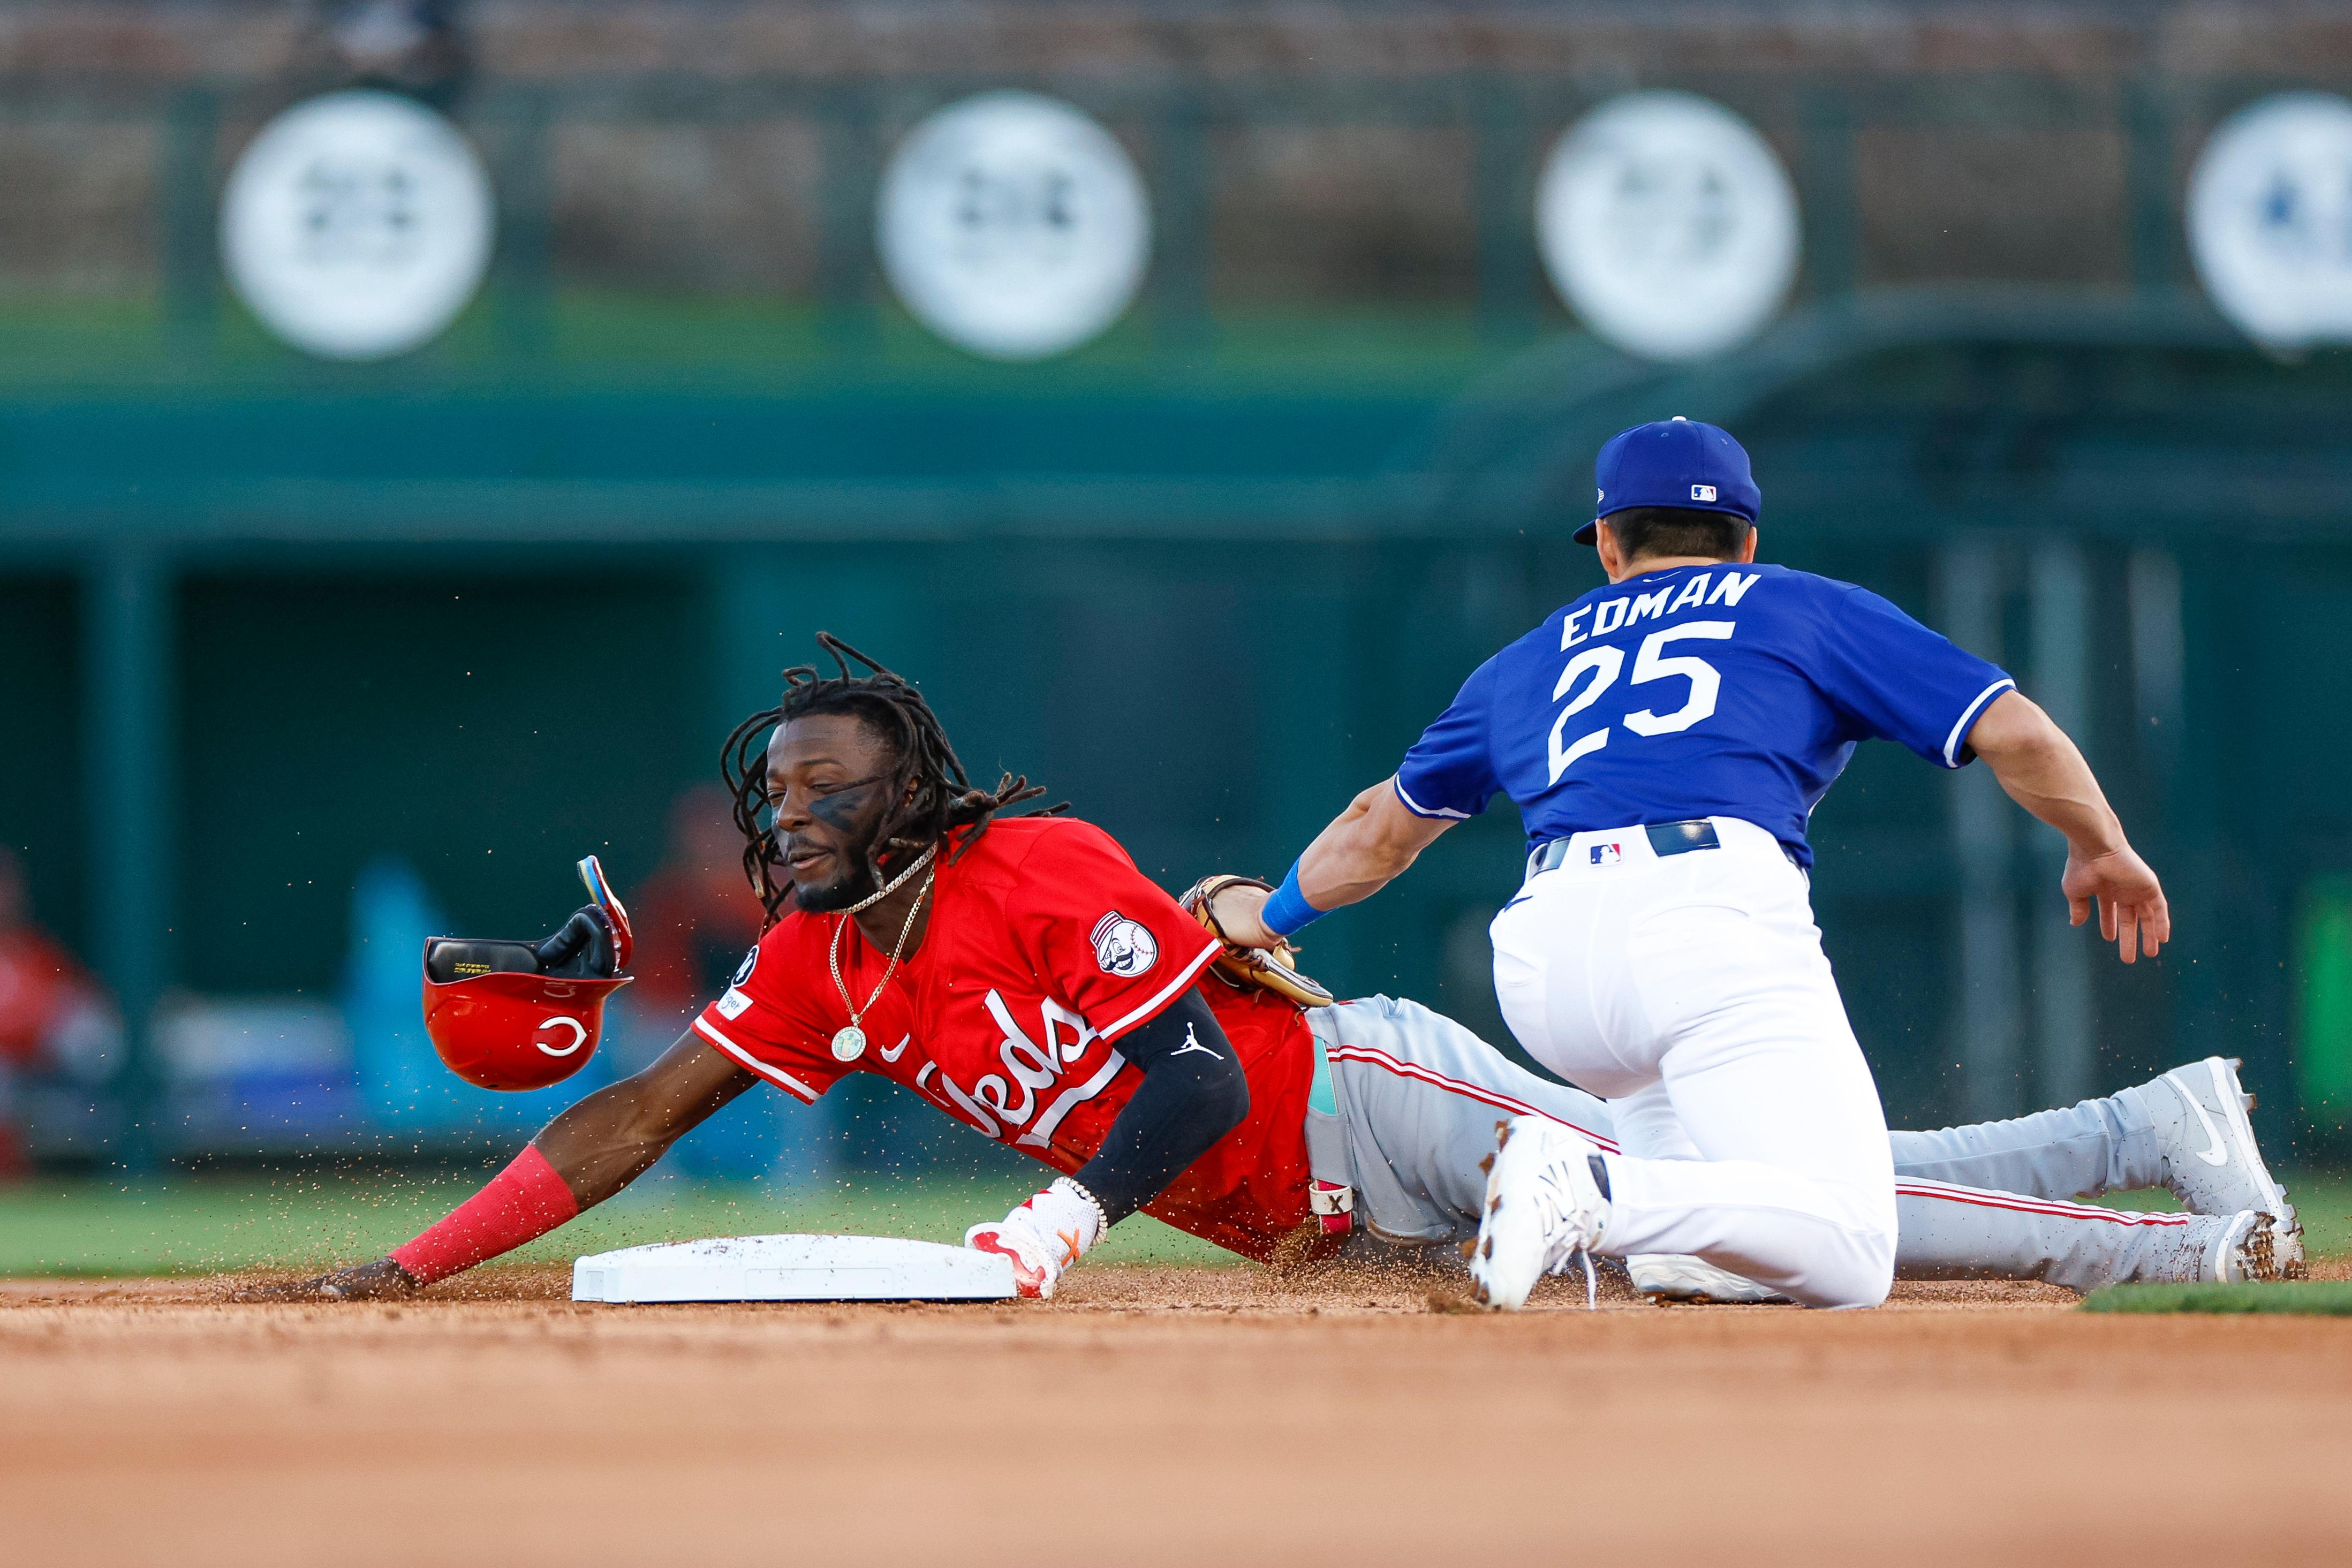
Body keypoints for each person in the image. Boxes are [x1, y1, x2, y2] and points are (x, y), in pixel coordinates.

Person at [256, 637, 2293, 1306]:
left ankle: (2170, 1237)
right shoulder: (808, 966)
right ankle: (2147, 1132)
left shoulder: (1031, 865)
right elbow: (636, 1113)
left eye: (816, 790)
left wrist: (1059, 1221)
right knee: (1737, 1245)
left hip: (1373, 1101)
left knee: (1782, 1225)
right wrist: (423, 1265)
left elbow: (1208, 1086)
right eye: (771, 791)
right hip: (1311, 1226)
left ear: (908, 797)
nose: (781, 816)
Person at [1209, 416, 2219, 1311]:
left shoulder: (1526, 658)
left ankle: (1658, 1234)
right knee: (1854, 1247)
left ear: (1607, 543)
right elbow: (2014, 730)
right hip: (1700, 919)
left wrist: (1279, 914)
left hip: (1549, 962)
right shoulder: (1796, 605)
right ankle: (1587, 1187)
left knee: (1712, 1236)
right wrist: (2103, 846)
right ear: (1744, 540)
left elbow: (1379, 828)